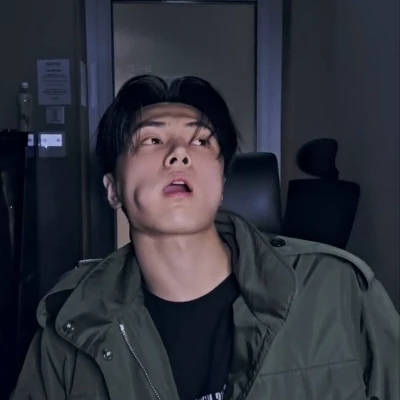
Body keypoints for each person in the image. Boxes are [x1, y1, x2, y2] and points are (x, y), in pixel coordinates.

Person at [11, 75, 399, 400]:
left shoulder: (338, 289)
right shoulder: (71, 323)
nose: (179, 154)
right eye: (151, 140)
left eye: (201, 141)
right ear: (113, 189)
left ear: (222, 182)